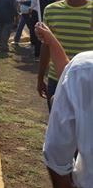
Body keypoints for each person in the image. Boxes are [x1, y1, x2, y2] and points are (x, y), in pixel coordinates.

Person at [35, 23, 93, 188]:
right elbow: (75, 77)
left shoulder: (83, 68)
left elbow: (56, 154)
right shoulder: (82, 69)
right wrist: (52, 42)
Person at [37, 0, 93, 110]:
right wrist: (40, 76)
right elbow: (46, 46)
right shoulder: (51, 10)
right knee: (58, 127)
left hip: (86, 81)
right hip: (57, 79)